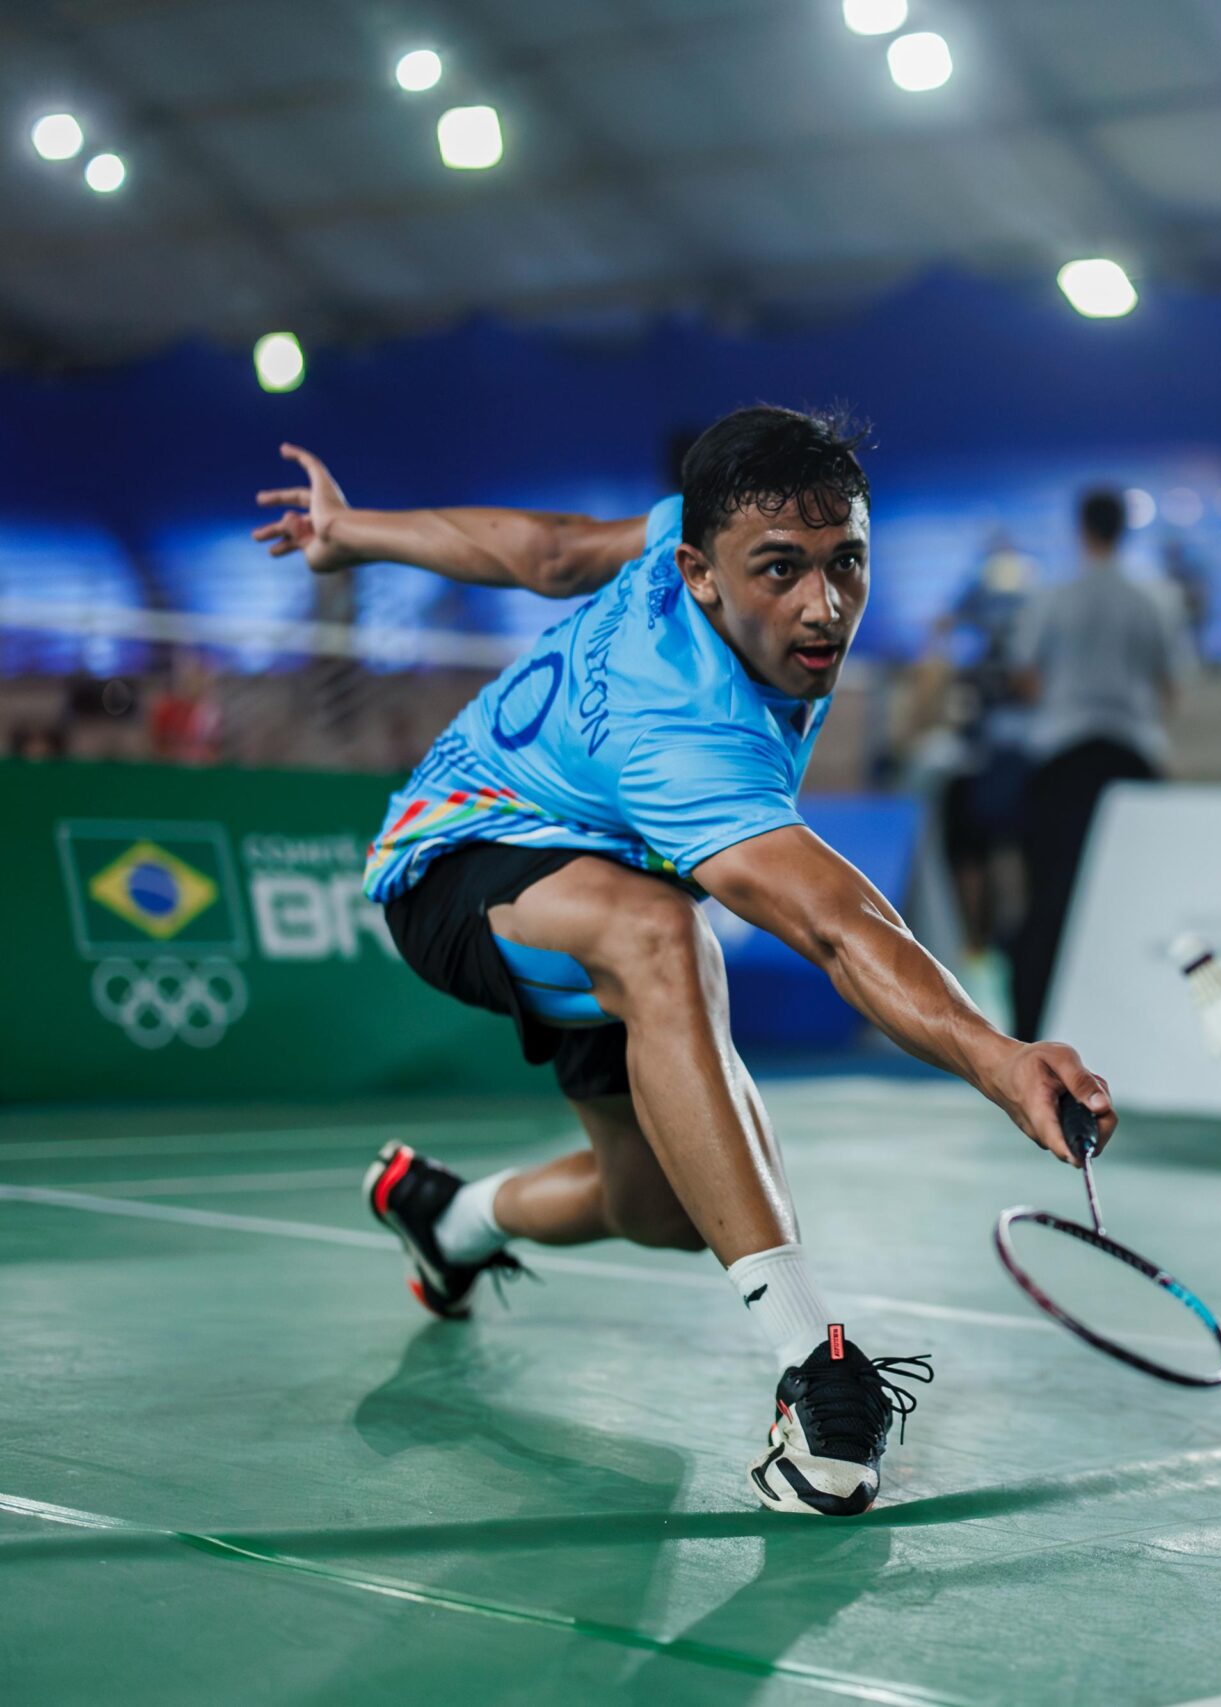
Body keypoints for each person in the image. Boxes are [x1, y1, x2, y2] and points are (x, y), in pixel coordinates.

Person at [252, 411, 1117, 1519]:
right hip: (458, 858)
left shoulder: (694, 532)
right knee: (666, 936)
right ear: (700, 574)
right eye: (782, 573)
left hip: (596, 875)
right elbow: (840, 931)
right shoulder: (689, 734)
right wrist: (998, 1060)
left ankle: (453, 1218)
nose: (823, 605)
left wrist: (355, 531)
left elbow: (548, 550)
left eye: (845, 562)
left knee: (662, 1205)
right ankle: (818, 1371)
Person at [1005, 487, 1191, 1038]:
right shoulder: (1157, 597)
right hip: (1133, 760)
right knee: (1133, 900)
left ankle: (1033, 1030)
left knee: (1050, 898)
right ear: (1127, 529)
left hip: (1061, 758)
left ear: (1081, 528)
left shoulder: (1052, 595)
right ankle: (1129, 1030)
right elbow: (1172, 686)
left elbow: (1025, 676)